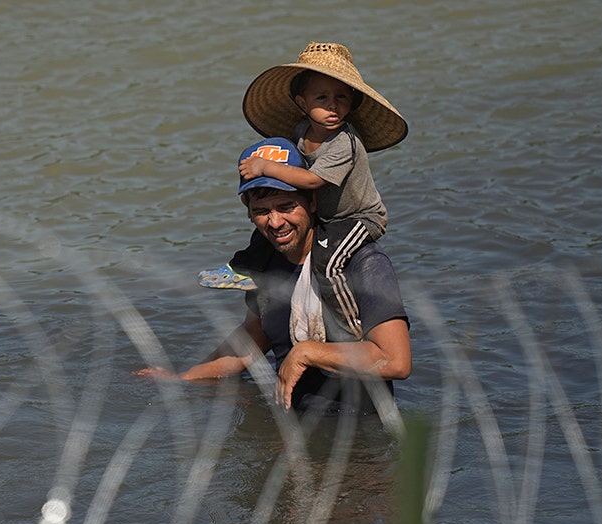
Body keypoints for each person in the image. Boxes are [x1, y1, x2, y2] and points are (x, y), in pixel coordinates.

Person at [141, 138, 411, 415]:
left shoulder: (361, 262)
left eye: (286, 206)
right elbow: (251, 340)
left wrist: (307, 353)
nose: (275, 222)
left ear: (313, 201)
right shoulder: (266, 265)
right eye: (262, 211)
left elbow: (395, 361)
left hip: (356, 431)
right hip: (290, 423)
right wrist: (183, 379)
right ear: (248, 211)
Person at [199, 42, 408, 342]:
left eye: (342, 98)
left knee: (330, 262)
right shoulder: (301, 133)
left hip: (358, 218)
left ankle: (348, 324)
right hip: (327, 214)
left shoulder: (344, 143)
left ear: (353, 103)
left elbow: (311, 181)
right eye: (322, 98)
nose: (333, 106)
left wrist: (266, 168)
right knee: (264, 233)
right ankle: (241, 267)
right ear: (302, 103)